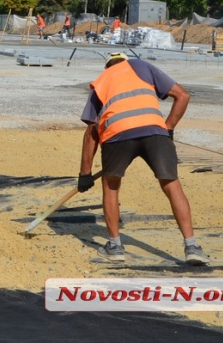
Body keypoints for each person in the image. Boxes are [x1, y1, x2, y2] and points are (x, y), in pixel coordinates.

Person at [77, 52, 209, 266]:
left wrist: (85, 173)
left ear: (107, 67)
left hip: (117, 135)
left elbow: (92, 131)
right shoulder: (141, 66)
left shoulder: (101, 81)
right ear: (126, 60)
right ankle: (192, 246)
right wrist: (168, 128)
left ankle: (115, 246)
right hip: (154, 132)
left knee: (111, 185)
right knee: (171, 184)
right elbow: (183, 96)